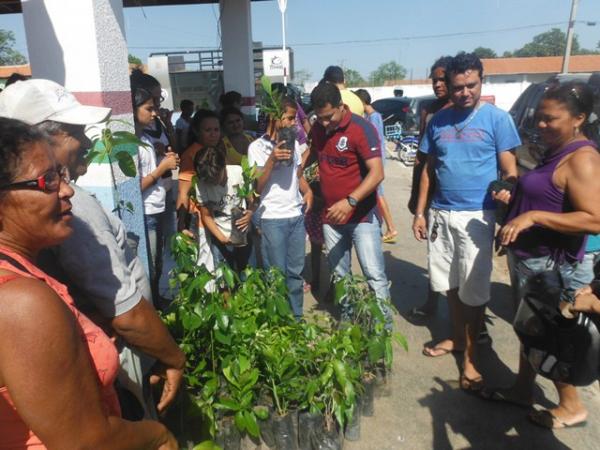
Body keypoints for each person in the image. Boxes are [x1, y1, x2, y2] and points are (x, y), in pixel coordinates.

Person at [0, 78, 186, 419]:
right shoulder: (72, 208)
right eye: (75, 131)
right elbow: (125, 311)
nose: (87, 141)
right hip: (113, 356)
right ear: (33, 141)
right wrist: (174, 357)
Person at [481, 81, 600, 429]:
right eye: (540, 118)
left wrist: (532, 216)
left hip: (555, 266)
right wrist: (515, 205)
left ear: (578, 118)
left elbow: (594, 218)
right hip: (532, 259)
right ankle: (522, 388)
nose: (542, 125)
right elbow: (547, 194)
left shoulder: (584, 158)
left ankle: (571, 405)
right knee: (528, 329)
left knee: (552, 337)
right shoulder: (556, 150)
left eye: (551, 119)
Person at [412, 52, 519, 390]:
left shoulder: (497, 120)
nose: (464, 93)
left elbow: (509, 167)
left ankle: (470, 360)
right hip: (441, 213)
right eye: (458, 87)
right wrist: (420, 211)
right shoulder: (438, 122)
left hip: (478, 217)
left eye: (471, 85)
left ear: (481, 81)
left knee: (474, 292)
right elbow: (429, 169)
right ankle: (458, 341)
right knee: (452, 286)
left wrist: (508, 190)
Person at [309, 81, 392, 326]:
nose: (324, 123)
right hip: (331, 218)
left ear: (341, 106)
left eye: (328, 117)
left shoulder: (361, 129)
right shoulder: (319, 127)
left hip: (361, 218)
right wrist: (295, 168)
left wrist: (351, 201)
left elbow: (377, 174)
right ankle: (347, 325)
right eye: (319, 117)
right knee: (340, 275)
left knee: (374, 276)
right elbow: (314, 153)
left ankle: (382, 330)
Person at [248, 95, 313, 319]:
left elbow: (296, 173)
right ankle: (278, 323)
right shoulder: (256, 147)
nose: (294, 123)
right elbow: (256, 185)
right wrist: (271, 160)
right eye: (289, 118)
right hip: (271, 219)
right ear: (274, 118)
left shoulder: (293, 143)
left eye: (294, 118)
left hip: (295, 215)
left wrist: (307, 191)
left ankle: (295, 321)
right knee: (276, 275)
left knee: (295, 275)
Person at [408, 56, 453, 318]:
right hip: (429, 186)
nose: (437, 84)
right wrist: (418, 204)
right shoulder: (429, 109)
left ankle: (471, 319)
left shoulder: (461, 109)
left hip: (453, 189)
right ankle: (432, 301)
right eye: (434, 79)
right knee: (434, 250)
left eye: (442, 79)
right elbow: (421, 155)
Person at [132, 84, 180, 304]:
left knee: (158, 260)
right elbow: (135, 187)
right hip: (147, 212)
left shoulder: (146, 140)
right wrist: (161, 169)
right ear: (133, 110)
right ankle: (152, 307)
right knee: (149, 263)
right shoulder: (131, 144)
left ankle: (157, 301)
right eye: (148, 109)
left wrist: (162, 156)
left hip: (158, 206)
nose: (154, 113)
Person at [195, 145, 253, 272]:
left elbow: (251, 201)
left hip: (243, 234)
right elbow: (206, 215)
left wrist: (250, 214)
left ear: (224, 166)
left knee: (247, 275)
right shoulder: (201, 184)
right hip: (220, 236)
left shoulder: (238, 173)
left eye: (216, 178)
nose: (213, 183)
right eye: (209, 181)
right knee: (224, 280)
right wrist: (222, 238)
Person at [354, 88, 398, 243]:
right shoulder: (373, 116)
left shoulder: (373, 118)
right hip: (377, 159)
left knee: (378, 194)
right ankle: (382, 227)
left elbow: (375, 140)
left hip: (376, 160)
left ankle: (391, 228)